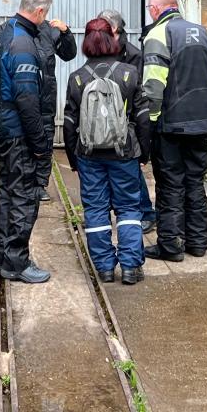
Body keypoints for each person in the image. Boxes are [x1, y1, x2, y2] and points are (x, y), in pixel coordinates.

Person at [63, 18, 150, 285]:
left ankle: (104, 268)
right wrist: (144, 153)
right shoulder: (129, 74)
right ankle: (131, 267)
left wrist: (73, 159)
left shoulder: (77, 78)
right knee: (128, 208)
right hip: (124, 153)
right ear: (112, 40)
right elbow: (144, 117)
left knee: (95, 209)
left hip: (88, 156)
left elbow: (69, 123)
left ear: (86, 42)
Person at [141, 0, 207, 263]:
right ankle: (198, 242)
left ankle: (170, 246)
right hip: (203, 123)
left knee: (170, 184)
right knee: (195, 181)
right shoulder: (205, 33)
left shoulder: (158, 34)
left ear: (156, 9)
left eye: (149, 8)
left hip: (172, 126)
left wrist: (150, 125)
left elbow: (153, 87)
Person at [0, 0, 59, 283]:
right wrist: (41, 144)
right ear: (40, 12)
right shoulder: (23, 44)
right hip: (17, 132)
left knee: (7, 191)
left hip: (2, 127)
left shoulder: (6, 32)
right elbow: (27, 99)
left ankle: (0, 254)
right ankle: (16, 261)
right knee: (24, 196)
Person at [99, 8, 158, 234]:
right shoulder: (101, 51)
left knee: (132, 170)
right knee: (101, 171)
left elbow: (138, 93)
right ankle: (100, 214)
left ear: (114, 29)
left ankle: (146, 213)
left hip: (126, 124)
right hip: (102, 122)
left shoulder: (133, 56)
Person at [33, 13, 76, 202]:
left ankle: (40, 183)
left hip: (46, 96)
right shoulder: (11, 28)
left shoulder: (51, 30)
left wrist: (66, 32)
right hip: (21, 93)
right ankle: (20, 182)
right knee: (21, 139)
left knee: (45, 137)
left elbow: (69, 55)